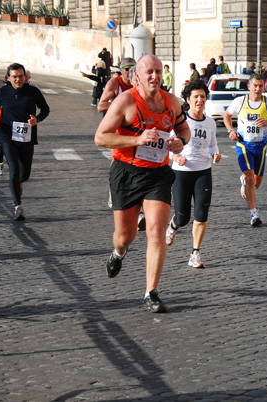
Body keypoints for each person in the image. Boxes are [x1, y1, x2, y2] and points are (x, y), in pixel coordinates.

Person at [94, 54, 191, 313]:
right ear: (136, 76)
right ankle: (118, 253)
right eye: (149, 72)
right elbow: (100, 138)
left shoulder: (171, 102)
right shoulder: (125, 102)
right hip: (126, 173)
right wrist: (135, 141)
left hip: (158, 174)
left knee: (156, 232)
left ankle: (151, 292)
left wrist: (181, 141)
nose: (154, 76)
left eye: (158, 71)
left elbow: (184, 130)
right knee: (125, 236)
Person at [166, 79, 221, 268]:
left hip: (203, 171)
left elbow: (213, 144)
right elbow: (167, 145)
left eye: (203, 97)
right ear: (188, 100)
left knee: (201, 214)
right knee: (183, 217)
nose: (200, 100)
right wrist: (175, 157)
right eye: (196, 97)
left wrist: (215, 154)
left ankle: (195, 253)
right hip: (182, 172)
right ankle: (173, 226)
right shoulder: (180, 122)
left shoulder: (211, 123)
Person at [222, 73, 267, 226]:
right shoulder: (240, 101)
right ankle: (254, 214)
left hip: (260, 147)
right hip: (243, 145)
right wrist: (231, 131)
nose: (257, 89)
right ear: (249, 86)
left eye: (260, 86)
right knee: (250, 178)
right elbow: (227, 115)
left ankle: (245, 181)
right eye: (255, 85)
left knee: (256, 183)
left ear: (264, 87)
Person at [0, 63, 50, 220]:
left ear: (25, 77)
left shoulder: (33, 92)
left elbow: (45, 109)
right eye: (15, 77)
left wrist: (37, 119)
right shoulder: (2, 92)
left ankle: (19, 184)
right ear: (8, 78)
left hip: (26, 136)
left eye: (21, 76)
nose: (18, 79)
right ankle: (17, 205)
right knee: (13, 168)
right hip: (7, 136)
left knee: (24, 173)